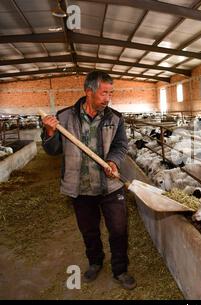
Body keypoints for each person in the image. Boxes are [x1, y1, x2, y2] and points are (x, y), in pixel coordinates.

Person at [41, 70, 136, 290]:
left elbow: (121, 145)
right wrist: (49, 132)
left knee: (119, 230)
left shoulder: (115, 118)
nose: (108, 98)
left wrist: (113, 161)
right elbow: (52, 150)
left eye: (111, 93)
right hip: (81, 187)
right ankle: (95, 262)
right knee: (89, 230)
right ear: (89, 92)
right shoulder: (63, 117)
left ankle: (120, 269)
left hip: (111, 186)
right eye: (104, 93)